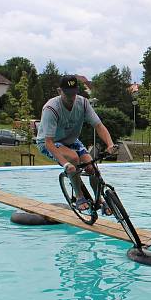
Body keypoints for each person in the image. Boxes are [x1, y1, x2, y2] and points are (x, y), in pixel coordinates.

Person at [37, 75, 119, 212]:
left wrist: (110, 144)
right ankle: (80, 197)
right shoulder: (51, 109)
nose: (71, 97)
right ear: (59, 91)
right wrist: (66, 164)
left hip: (72, 141)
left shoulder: (83, 103)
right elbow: (49, 142)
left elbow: (99, 126)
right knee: (73, 159)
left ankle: (99, 199)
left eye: (74, 93)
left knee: (92, 168)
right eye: (67, 94)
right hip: (49, 143)